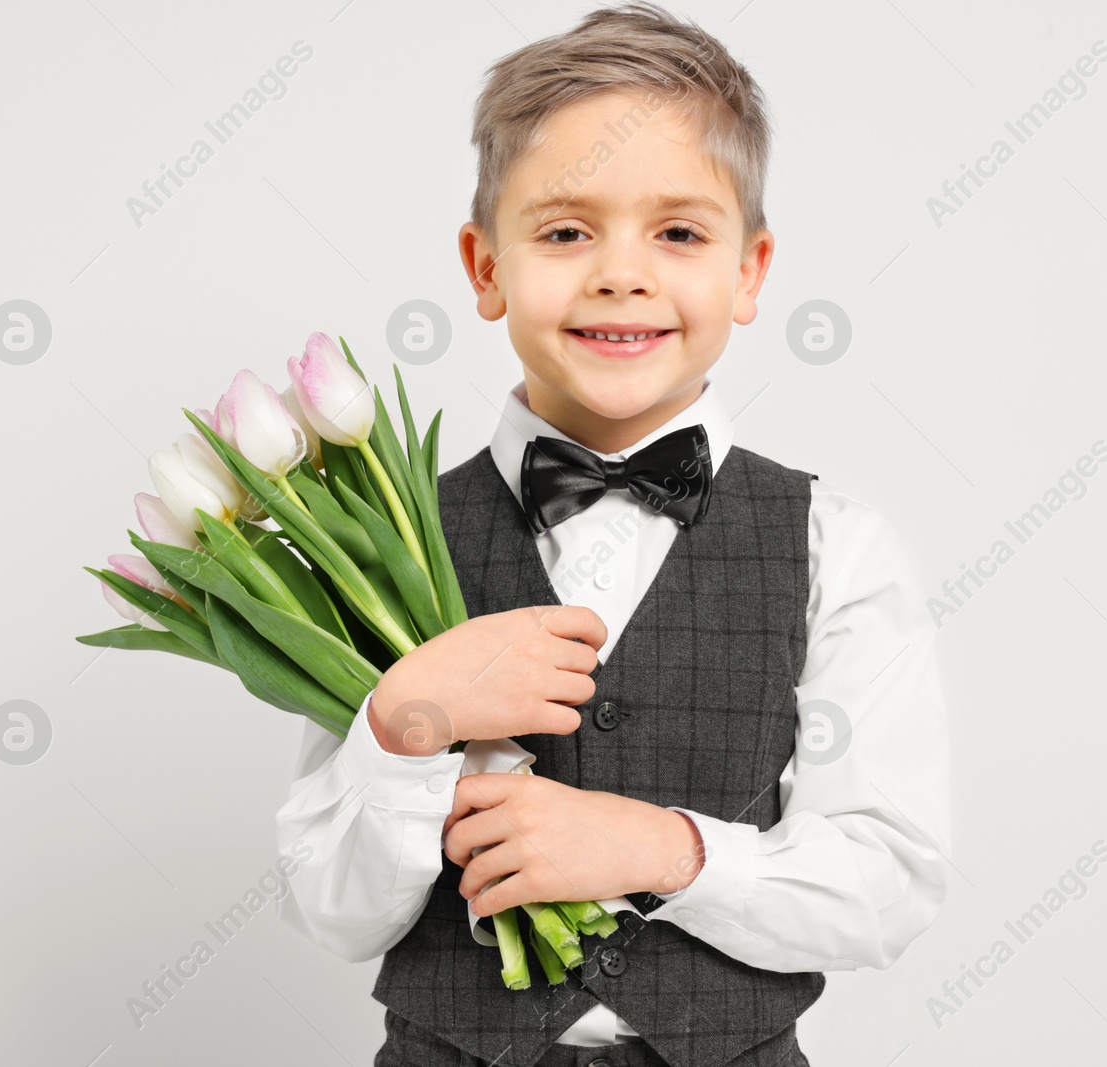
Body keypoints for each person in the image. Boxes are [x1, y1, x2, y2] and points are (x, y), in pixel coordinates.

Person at [275, 4, 952, 1064]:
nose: (618, 273)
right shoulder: (387, 549)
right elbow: (332, 910)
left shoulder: (838, 544)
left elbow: (888, 881)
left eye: (678, 231)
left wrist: (664, 849)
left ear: (750, 270)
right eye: (563, 230)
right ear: (485, 266)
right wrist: (409, 720)